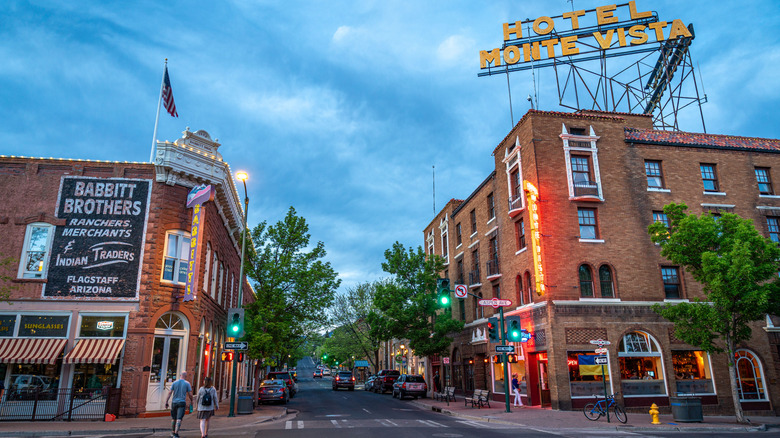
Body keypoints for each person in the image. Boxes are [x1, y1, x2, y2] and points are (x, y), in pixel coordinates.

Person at [165, 371, 194, 438]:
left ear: (180, 375)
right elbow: (190, 394)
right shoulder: (187, 383)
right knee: (179, 419)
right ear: (186, 376)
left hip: (174, 402)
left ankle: (172, 432)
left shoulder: (174, 383)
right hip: (182, 402)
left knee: (173, 418)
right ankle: (176, 433)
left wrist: (166, 401)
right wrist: (191, 400)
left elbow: (170, 392)